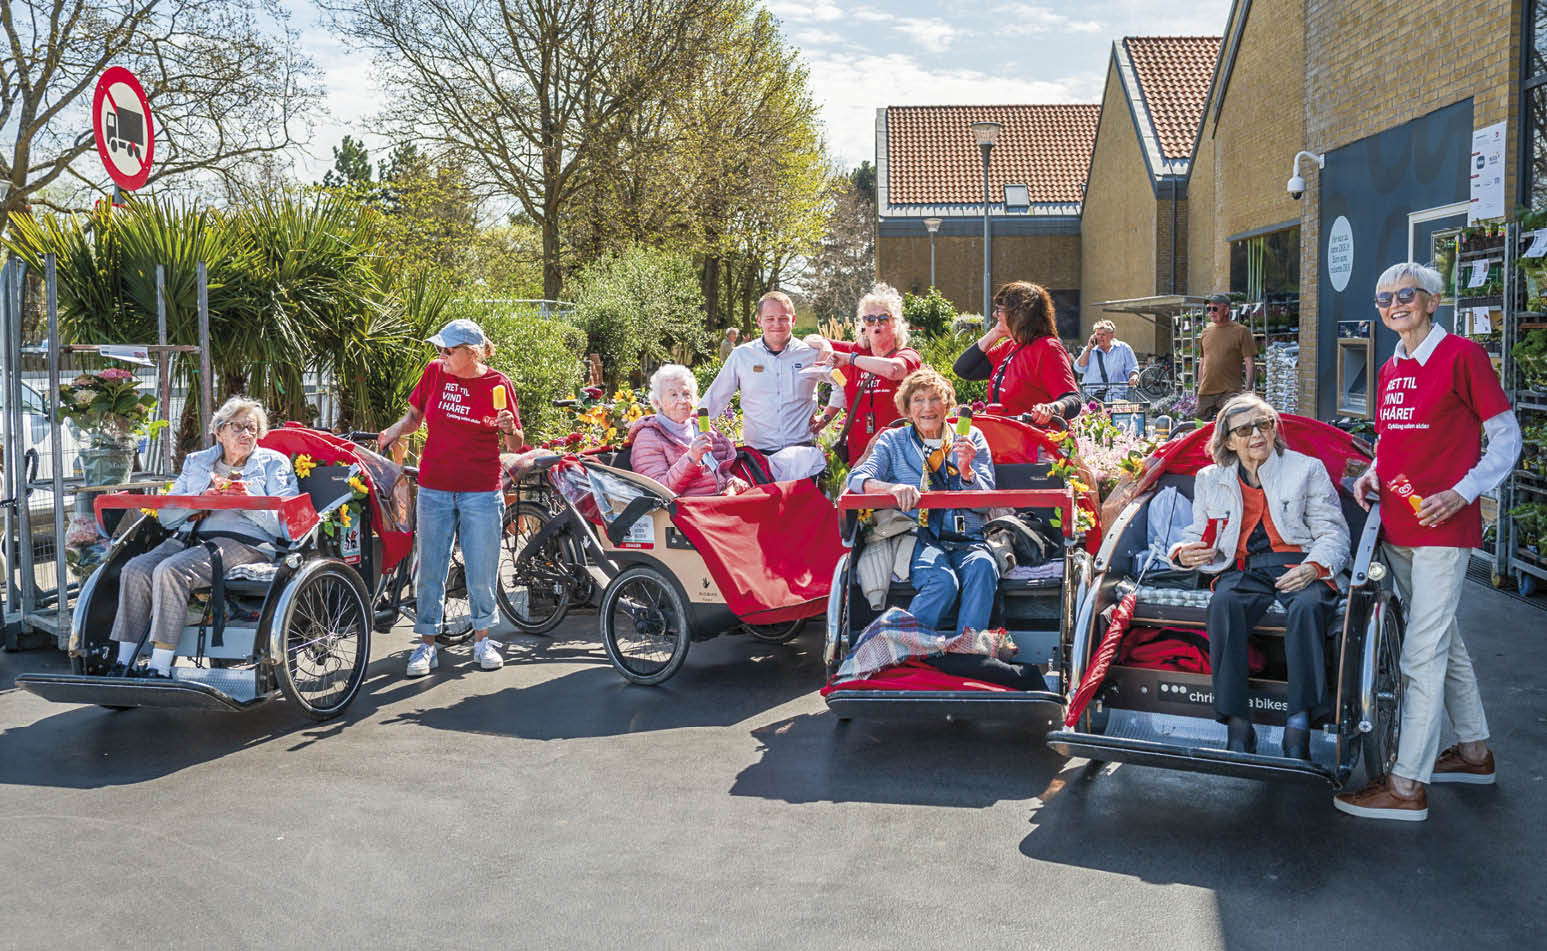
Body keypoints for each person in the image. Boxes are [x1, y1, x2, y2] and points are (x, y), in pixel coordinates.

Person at [1335, 262, 1521, 821]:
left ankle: (1407, 784)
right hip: (1397, 527)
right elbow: (1393, 445)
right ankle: (1473, 751)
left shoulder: (1463, 356)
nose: (1395, 304)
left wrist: (1464, 493)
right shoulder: (1392, 366)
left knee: (1421, 653)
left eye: (1406, 294)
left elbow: (1506, 439)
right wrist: (1374, 471)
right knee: (1445, 642)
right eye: (1384, 297)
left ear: (1433, 300)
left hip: (1443, 533)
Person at [1169, 395, 1349, 760]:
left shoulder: (1306, 469)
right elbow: (1198, 531)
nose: (1257, 434)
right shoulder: (1210, 478)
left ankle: (1298, 726)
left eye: (1264, 424)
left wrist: (1313, 567)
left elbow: (1334, 532)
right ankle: (1238, 727)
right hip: (1244, 569)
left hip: (1298, 564)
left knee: (1308, 607)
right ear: (1228, 440)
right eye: (1245, 429)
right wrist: (1183, 554)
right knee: (1223, 604)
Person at [107, 397, 299, 678]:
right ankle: (125, 663)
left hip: (247, 542)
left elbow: (285, 526)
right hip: (191, 538)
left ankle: (160, 666)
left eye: (252, 428)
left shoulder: (273, 463)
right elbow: (167, 517)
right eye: (238, 427)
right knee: (134, 569)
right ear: (219, 432)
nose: (247, 434)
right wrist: (198, 502)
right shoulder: (197, 463)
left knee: (171, 570)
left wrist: (248, 502)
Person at [379, 318, 522, 677]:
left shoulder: (497, 384)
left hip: (481, 489)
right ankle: (426, 645)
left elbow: (515, 444)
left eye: (448, 350)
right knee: (430, 568)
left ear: (471, 353)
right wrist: (394, 430)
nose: (440, 354)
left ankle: (483, 640)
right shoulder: (434, 374)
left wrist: (510, 429)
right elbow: (415, 416)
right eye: (439, 348)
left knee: (481, 568)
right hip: (435, 486)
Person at [847, 368, 997, 636]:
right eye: (918, 400)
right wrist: (892, 487)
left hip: (969, 537)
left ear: (948, 405)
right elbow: (858, 478)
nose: (927, 407)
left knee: (983, 567)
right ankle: (895, 645)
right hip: (921, 537)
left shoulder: (971, 438)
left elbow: (985, 504)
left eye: (935, 399)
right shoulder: (894, 441)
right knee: (942, 583)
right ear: (907, 408)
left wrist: (967, 472)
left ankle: (968, 652)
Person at [699, 290, 841, 479]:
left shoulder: (810, 354)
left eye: (783, 318)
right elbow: (711, 401)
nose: (776, 324)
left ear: (794, 320)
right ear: (759, 321)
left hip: (802, 457)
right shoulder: (742, 356)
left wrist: (826, 417)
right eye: (770, 319)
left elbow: (842, 382)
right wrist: (700, 434)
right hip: (758, 459)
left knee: (800, 509)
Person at [803, 282, 924, 464]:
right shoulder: (854, 351)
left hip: (900, 456)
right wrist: (823, 346)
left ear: (895, 325)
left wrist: (850, 359)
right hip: (860, 457)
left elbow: (894, 370)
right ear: (863, 327)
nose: (876, 323)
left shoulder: (907, 355)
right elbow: (810, 340)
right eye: (869, 319)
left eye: (883, 318)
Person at [953, 281, 1081, 424]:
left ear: (1018, 315)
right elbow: (964, 369)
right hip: (1006, 439)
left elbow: (1073, 399)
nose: (995, 314)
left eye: (999, 309)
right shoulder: (1010, 346)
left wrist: (1051, 408)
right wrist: (995, 333)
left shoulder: (1048, 348)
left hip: (1037, 441)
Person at [629, 364, 751, 497]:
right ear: (657, 402)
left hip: (720, 500)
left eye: (686, 394)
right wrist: (690, 459)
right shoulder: (648, 437)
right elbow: (657, 491)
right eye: (673, 395)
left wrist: (730, 481)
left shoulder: (701, 427)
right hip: (685, 510)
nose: (682, 400)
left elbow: (719, 470)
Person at [1195, 294, 1257, 421]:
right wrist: (1199, 390)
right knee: (1199, 428)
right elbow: (1202, 363)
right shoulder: (1205, 332)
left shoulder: (1241, 331)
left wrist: (1247, 392)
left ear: (1226, 310)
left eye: (1215, 309)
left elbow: (1250, 363)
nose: (1211, 312)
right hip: (1206, 393)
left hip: (1230, 392)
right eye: (1209, 309)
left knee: (1231, 428)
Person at [1074, 319, 1139, 401]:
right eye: (1098, 334)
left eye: (1103, 334)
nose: (1100, 337)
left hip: (1118, 397)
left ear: (1112, 336)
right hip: (1093, 397)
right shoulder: (1090, 350)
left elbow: (1132, 368)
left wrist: (1133, 377)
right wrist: (1089, 348)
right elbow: (1080, 368)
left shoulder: (1124, 348)